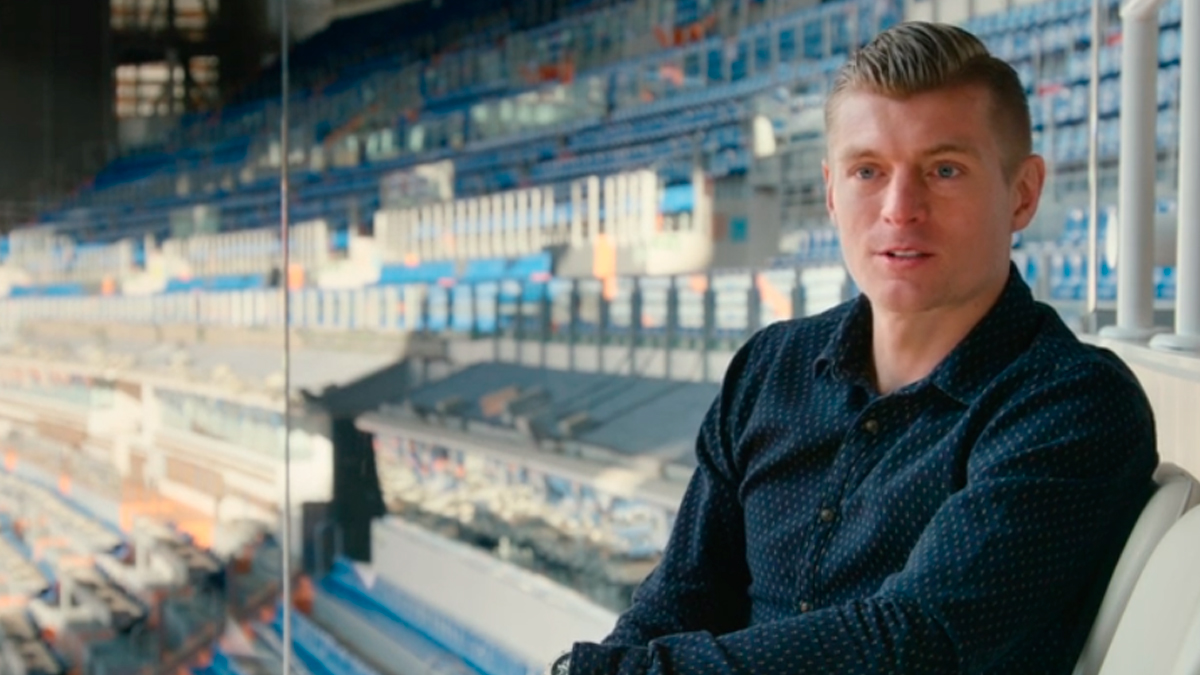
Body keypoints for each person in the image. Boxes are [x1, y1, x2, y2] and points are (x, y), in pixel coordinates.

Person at [548, 21, 1158, 675]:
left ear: (1023, 192)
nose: (900, 207)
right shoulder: (770, 368)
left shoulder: (1071, 404)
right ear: (833, 193)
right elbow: (678, 597)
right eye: (868, 170)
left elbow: (914, 642)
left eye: (944, 169)